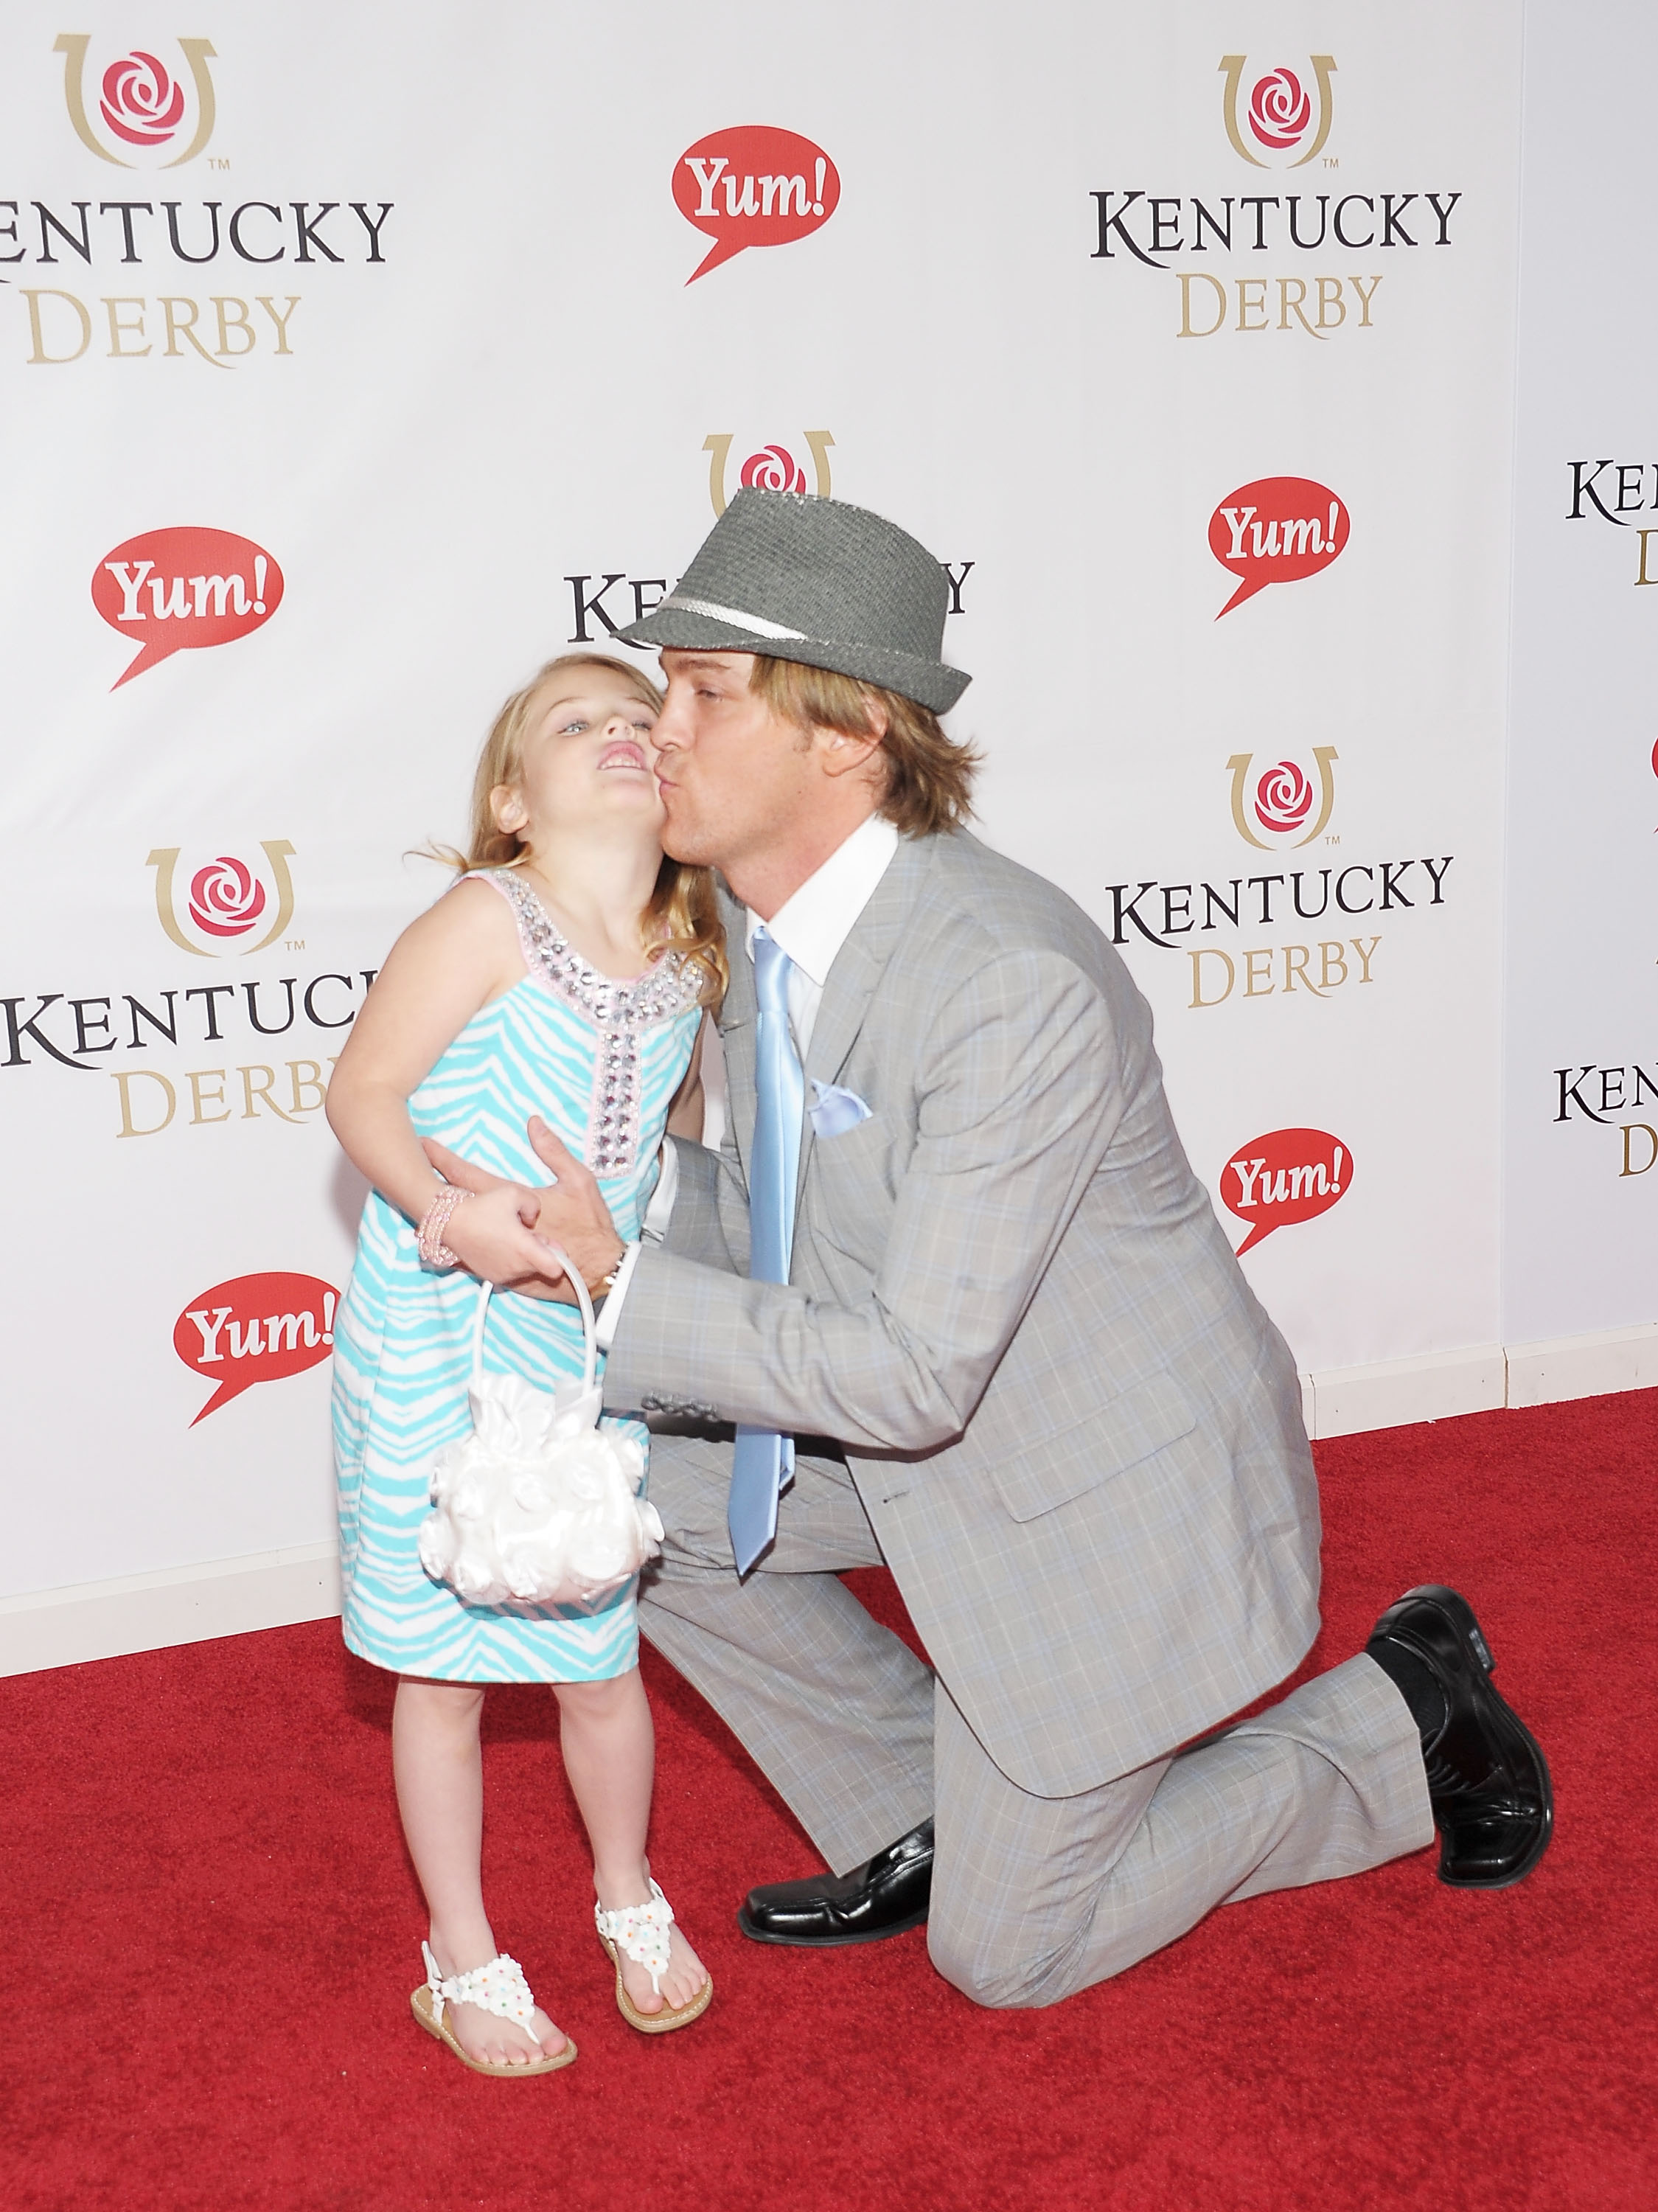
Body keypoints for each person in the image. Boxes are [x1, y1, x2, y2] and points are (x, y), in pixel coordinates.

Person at [431, 490, 1553, 2011]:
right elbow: (788, 1229)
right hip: (925, 1435)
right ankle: (929, 1807)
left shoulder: (1003, 982)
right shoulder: (763, 934)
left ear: (845, 739)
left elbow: (910, 1373)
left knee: (1010, 1958)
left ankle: (1404, 1717)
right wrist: (599, 1201)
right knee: (606, 1494)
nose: (653, 732)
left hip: (1101, 1497)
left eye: (701, 692)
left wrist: (618, 1282)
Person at [326, 653, 720, 2073]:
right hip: (434, 1329)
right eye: (576, 723)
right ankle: (462, 1956)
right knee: (441, 1671)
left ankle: (627, 1898)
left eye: (638, 720)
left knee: (595, 1646)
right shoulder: (484, 918)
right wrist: (450, 1217)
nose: (619, 735)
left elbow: (650, 1152)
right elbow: (361, 1091)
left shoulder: (691, 951)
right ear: (511, 799)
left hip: (571, 1345)